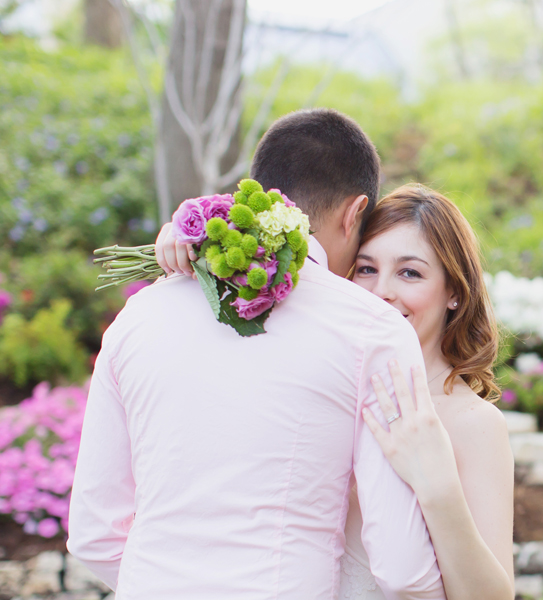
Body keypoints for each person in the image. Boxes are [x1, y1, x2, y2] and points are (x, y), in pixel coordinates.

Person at [67, 109, 446, 600]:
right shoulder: (374, 331)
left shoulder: (137, 319)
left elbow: (94, 536)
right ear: (356, 213)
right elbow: (401, 568)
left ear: (255, 192)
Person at [156, 184, 516, 600]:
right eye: (365, 269)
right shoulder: (316, 387)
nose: (382, 291)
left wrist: (437, 486)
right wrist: (185, 243)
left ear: (453, 292)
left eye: (410, 272)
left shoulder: (473, 424)